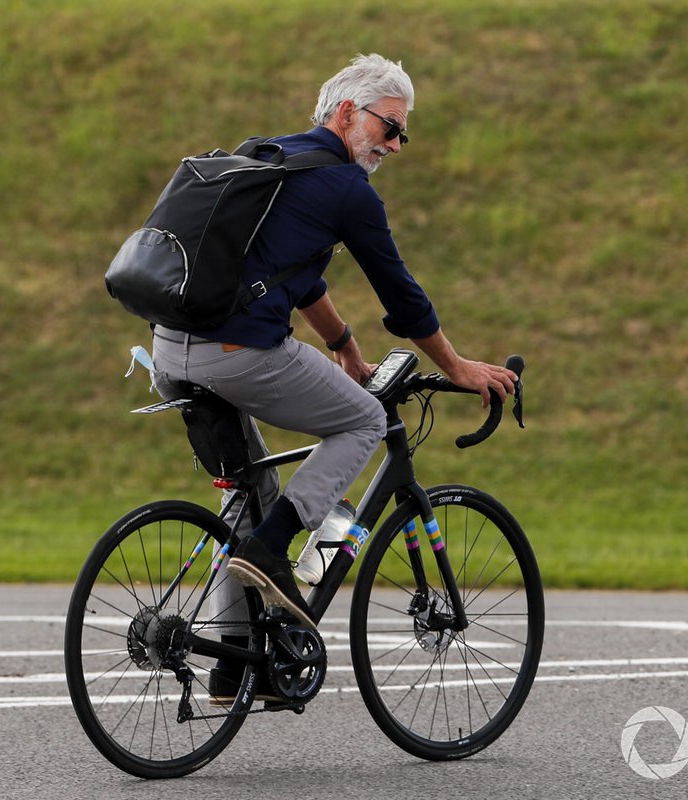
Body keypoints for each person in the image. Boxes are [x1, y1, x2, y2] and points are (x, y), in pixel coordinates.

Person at [149, 53, 516, 699]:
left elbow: (297, 274)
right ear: (347, 113)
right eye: (391, 127)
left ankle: (236, 667)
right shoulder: (346, 188)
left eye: (404, 134)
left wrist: (344, 347)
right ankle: (274, 550)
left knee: (247, 497)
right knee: (364, 419)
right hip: (236, 352)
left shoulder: (269, 156)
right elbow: (402, 296)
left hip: (170, 350)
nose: (397, 146)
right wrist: (455, 367)